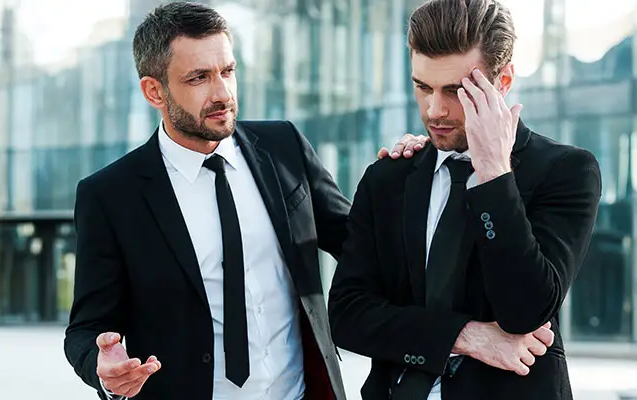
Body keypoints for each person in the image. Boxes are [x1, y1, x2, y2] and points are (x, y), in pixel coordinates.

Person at [63, 2, 427, 400]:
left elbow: (364, 245)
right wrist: (104, 370)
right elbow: (86, 328)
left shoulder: (284, 147)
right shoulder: (111, 195)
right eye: (199, 77)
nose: (222, 92)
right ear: (155, 91)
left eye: (228, 71)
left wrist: (406, 176)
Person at [327, 0, 602, 399]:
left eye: (455, 90)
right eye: (422, 87)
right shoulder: (389, 176)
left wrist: (493, 172)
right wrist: (465, 336)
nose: (434, 110)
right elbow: (349, 315)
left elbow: (524, 310)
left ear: (503, 80)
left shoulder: (566, 171)